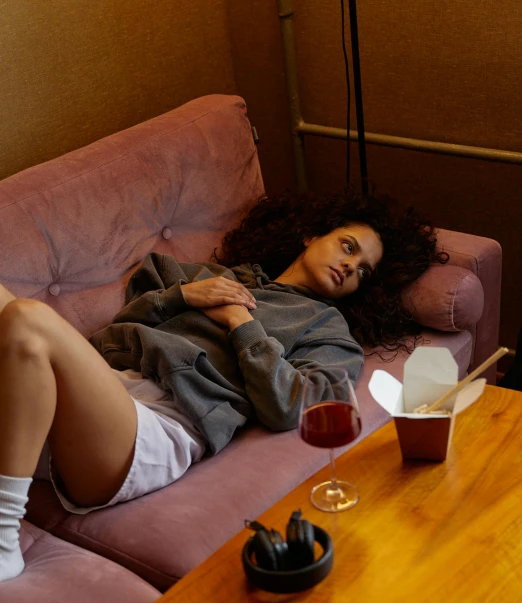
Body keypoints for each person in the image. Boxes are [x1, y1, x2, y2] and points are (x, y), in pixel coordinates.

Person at [0, 188, 446, 581]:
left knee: (27, 318)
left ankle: (4, 542)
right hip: (81, 398)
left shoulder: (328, 330)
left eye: (363, 271)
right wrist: (182, 296)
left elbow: (293, 406)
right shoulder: (213, 278)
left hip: (152, 429)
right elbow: (123, 326)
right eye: (348, 247)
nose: (350, 266)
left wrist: (241, 323)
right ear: (312, 236)